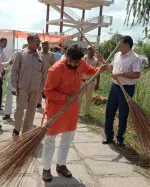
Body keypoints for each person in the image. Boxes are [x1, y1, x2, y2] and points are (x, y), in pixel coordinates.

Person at [41, 44, 107, 182]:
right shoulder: (55, 70)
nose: (75, 65)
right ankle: (46, 168)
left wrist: (99, 69)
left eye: (78, 62)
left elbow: (89, 70)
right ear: (67, 56)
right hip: (57, 108)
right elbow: (48, 91)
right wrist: (65, 98)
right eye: (72, 61)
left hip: (72, 108)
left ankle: (61, 164)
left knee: (68, 137)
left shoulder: (81, 63)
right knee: (50, 139)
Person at [102, 35, 141, 148]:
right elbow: (112, 67)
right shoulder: (117, 55)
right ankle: (108, 136)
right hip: (114, 87)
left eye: (121, 44)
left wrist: (121, 74)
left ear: (128, 45)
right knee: (110, 111)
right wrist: (105, 64)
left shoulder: (135, 58)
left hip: (127, 88)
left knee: (123, 113)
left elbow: (137, 74)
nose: (119, 47)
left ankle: (120, 138)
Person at [11, 34, 45, 136]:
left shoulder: (40, 56)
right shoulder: (21, 54)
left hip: (35, 88)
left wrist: (42, 88)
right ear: (30, 41)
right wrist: (13, 85)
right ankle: (16, 128)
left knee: (31, 110)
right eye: (37, 40)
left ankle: (26, 131)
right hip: (22, 87)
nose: (39, 42)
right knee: (20, 109)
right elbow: (14, 71)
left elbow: (43, 73)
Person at [82, 45, 100, 116]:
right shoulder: (83, 58)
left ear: (94, 51)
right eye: (89, 49)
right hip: (82, 81)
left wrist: (97, 83)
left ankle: (86, 113)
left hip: (91, 81)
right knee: (79, 97)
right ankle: (76, 112)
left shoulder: (96, 60)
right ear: (87, 50)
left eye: (92, 50)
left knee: (88, 98)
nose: (90, 51)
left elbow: (98, 72)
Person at [37, 41, 56, 108]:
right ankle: (38, 103)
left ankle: (47, 104)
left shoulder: (52, 55)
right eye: (44, 45)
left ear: (48, 46)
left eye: (46, 45)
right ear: (42, 46)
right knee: (39, 89)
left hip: (48, 75)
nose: (45, 47)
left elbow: (54, 66)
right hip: (39, 75)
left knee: (47, 90)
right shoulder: (38, 54)